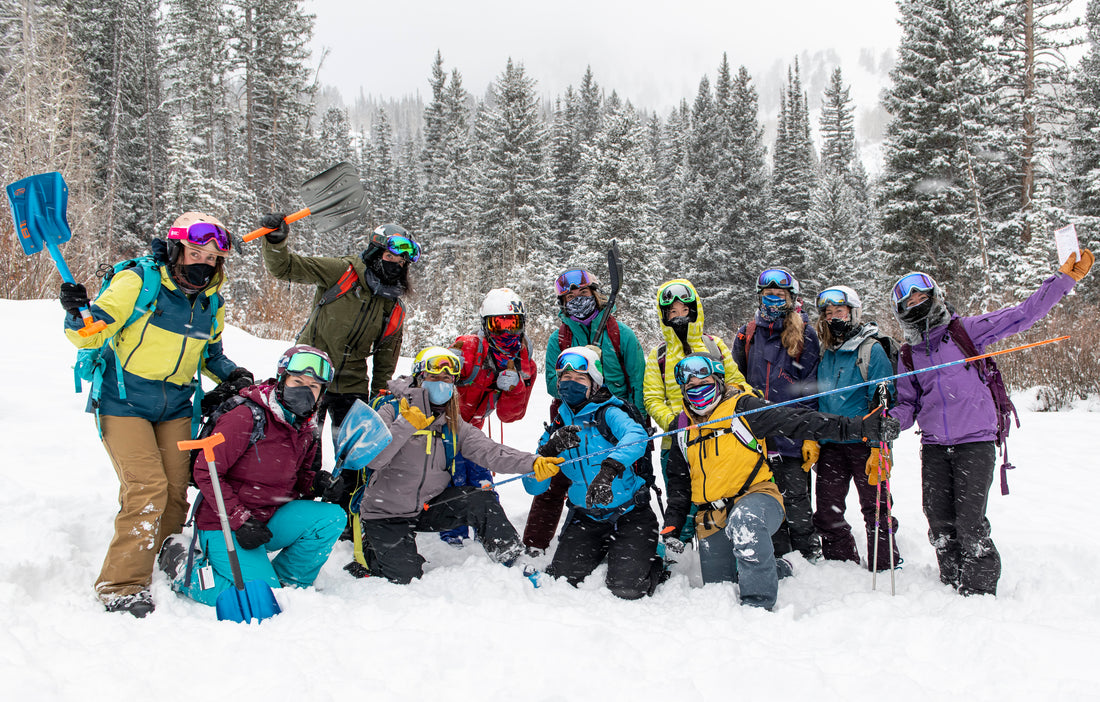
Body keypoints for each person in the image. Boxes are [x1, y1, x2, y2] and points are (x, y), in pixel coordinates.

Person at [60, 212, 251, 617]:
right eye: (195, 251)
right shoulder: (138, 282)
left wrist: (233, 374)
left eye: (213, 258)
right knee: (146, 488)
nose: (204, 263)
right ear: (175, 248)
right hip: (123, 401)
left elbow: (210, 353)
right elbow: (89, 331)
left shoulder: (211, 302)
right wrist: (77, 312)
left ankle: (164, 558)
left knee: (176, 491)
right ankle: (122, 583)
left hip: (178, 405)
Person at [889, 250, 1093, 596]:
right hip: (935, 445)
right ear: (901, 312)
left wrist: (1064, 280)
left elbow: (1022, 315)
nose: (916, 304)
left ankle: (979, 592)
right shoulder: (909, 354)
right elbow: (907, 403)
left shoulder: (965, 332)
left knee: (970, 523)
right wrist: (891, 422)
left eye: (921, 296)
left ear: (935, 297)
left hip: (975, 442)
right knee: (939, 522)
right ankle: (950, 583)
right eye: (908, 301)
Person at [661, 353, 901, 610]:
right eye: (691, 387)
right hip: (713, 512)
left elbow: (799, 422)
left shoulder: (744, 408)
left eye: (704, 383)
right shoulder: (681, 426)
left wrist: (861, 427)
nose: (698, 391)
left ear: (719, 380)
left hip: (756, 498)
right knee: (719, 585)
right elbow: (680, 484)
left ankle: (758, 608)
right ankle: (776, 566)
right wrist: (672, 525)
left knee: (746, 523)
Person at [259, 217, 417, 526]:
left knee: (353, 455)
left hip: (352, 383)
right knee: (302, 447)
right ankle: (292, 509)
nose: (395, 265)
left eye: (402, 260)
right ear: (374, 253)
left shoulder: (393, 305)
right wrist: (276, 242)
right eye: (389, 257)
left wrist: (380, 398)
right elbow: (285, 268)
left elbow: (386, 354)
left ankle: (344, 513)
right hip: (309, 376)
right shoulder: (341, 273)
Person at [358, 346, 563, 583]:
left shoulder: (450, 422)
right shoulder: (390, 411)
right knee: (405, 578)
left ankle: (512, 557)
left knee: (482, 499)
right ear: (419, 378)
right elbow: (372, 459)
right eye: (434, 377)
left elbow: (491, 452)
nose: (442, 383)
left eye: (447, 379)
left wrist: (533, 462)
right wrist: (406, 424)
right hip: (385, 512)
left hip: (426, 507)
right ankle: (372, 547)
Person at [159, 346, 346, 605]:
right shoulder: (247, 416)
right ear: (282, 380)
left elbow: (299, 476)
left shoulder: (305, 426)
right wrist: (239, 518)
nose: (305, 390)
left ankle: (288, 585)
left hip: (268, 518)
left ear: (321, 393)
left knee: (331, 518)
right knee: (255, 600)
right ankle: (184, 570)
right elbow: (206, 471)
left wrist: (316, 482)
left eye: (313, 386)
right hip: (223, 521)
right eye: (297, 381)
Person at [523, 268, 648, 554]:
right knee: (555, 475)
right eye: (570, 296)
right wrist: (581, 367)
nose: (577, 300)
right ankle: (535, 543)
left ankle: (635, 540)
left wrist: (637, 419)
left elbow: (637, 380)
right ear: (562, 303)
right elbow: (554, 385)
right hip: (570, 415)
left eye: (583, 293)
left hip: (614, 420)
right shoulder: (560, 339)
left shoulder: (620, 334)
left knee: (627, 477)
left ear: (595, 294)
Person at [523, 346, 662, 599]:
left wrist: (608, 472)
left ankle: (651, 555)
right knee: (563, 580)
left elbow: (636, 436)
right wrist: (548, 450)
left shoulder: (609, 412)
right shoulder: (559, 423)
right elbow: (534, 487)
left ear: (594, 384)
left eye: (580, 378)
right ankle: (607, 547)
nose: (571, 384)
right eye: (566, 378)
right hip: (585, 516)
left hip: (630, 513)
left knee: (626, 588)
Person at [731, 267, 821, 561]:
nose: (773, 301)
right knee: (765, 495)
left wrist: (809, 435)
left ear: (792, 298)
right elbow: (737, 383)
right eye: (768, 295)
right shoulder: (748, 334)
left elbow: (811, 389)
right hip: (756, 437)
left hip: (792, 432)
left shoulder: (806, 335)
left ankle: (807, 554)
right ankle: (776, 553)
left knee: (796, 499)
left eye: (779, 296)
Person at [812, 285, 900, 569]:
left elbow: (883, 396)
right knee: (827, 510)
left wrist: (879, 443)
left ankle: (884, 560)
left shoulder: (870, 349)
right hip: (831, 444)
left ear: (853, 313)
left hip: (865, 443)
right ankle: (841, 562)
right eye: (828, 313)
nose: (834, 317)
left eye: (839, 311)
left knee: (876, 506)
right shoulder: (825, 351)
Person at [441, 288, 538, 545]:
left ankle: (491, 531)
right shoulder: (469, 349)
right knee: (454, 475)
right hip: (442, 427)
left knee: (482, 480)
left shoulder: (524, 363)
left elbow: (509, 416)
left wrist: (515, 386)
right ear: (486, 325)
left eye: (512, 323)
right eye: (498, 323)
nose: (506, 331)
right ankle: (453, 533)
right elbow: (435, 379)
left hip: (473, 431)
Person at [643, 278, 750, 477]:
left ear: (694, 310)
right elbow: (652, 398)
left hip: (719, 436)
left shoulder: (714, 345)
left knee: (719, 499)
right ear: (665, 316)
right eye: (673, 312)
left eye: (684, 310)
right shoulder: (658, 355)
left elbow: (736, 383)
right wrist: (674, 423)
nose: (679, 316)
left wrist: (734, 406)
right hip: (677, 442)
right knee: (681, 503)